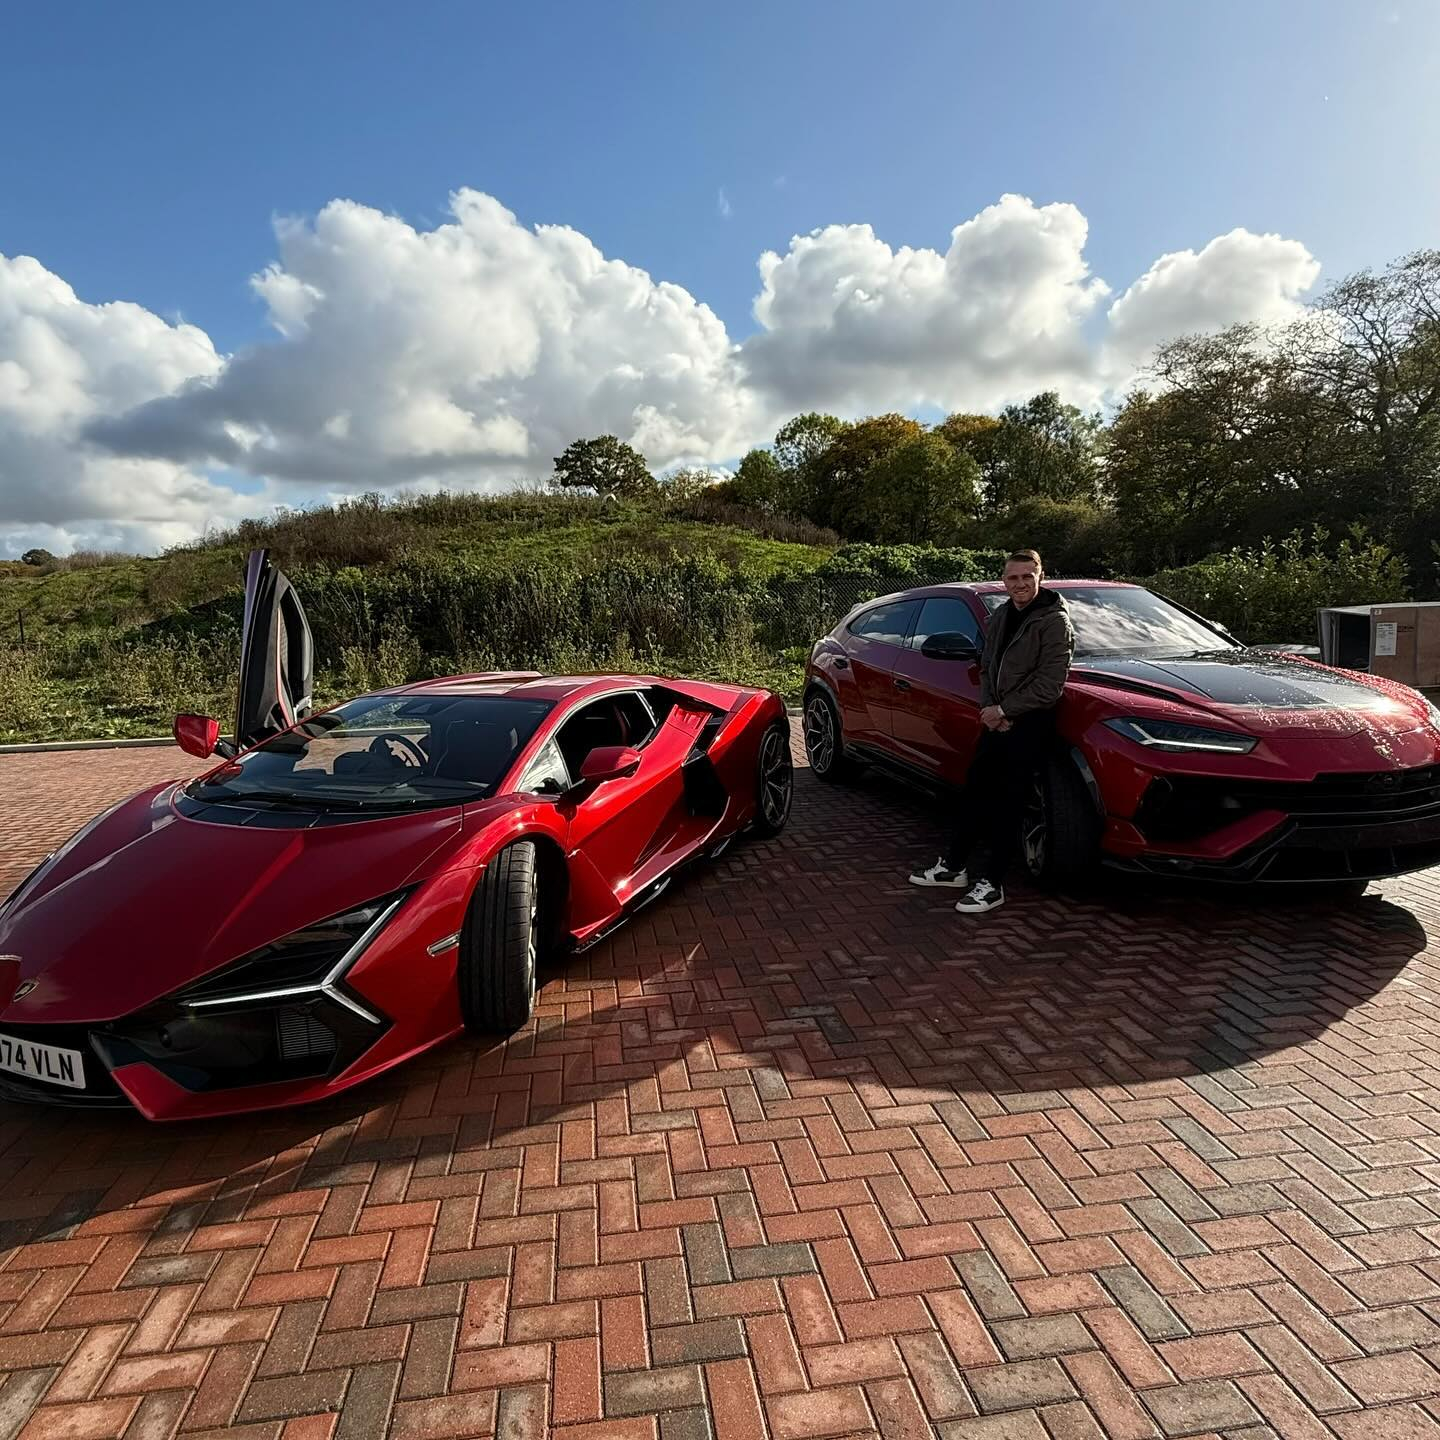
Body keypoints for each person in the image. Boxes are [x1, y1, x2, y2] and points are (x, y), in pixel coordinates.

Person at [909, 549, 1074, 914]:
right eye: (1013, 577)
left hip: (1029, 723)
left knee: (1009, 803)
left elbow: (1050, 685)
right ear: (1004, 579)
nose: (1020, 584)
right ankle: (954, 867)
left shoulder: (1054, 622)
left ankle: (993, 883)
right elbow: (987, 667)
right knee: (975, 792)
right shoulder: (1001, 614)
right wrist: (990, 710)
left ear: (1040, 576)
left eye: (1027, 577)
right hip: (996, 719)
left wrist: (1004, 710)